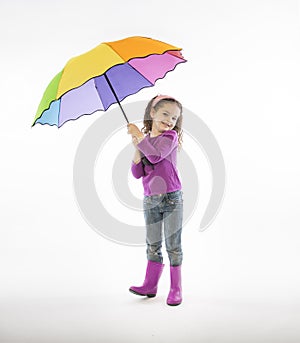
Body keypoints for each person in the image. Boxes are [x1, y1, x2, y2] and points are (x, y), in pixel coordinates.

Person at [127, 95, 184, 306]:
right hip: (150, 200)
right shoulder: (145, 141)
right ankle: (150, 285)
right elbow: (137, 172)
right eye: (165, 114)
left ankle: (176, 289)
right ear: (152, 113)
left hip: (172, 199)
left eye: (174, 118)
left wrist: (140, 140)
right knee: (152, 245)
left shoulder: (170, 137)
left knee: (173, 246)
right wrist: (136, 146)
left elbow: (155, 156)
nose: (170, 121)